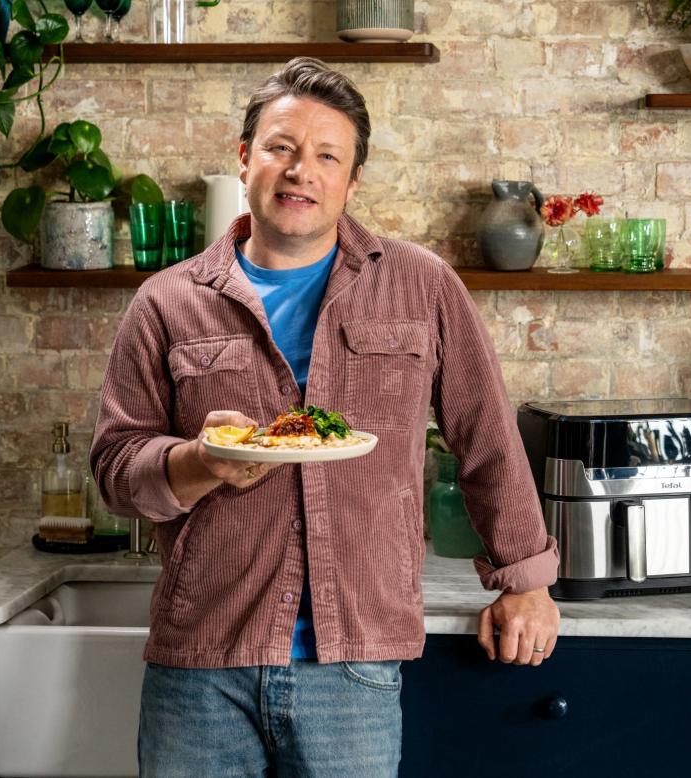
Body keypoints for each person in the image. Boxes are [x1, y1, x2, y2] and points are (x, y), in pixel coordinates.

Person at [91, 56, 560, 777]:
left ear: (351, 178)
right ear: (245, 159)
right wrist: (198, 463)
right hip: (202, 659)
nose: (299, 170)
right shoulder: (166, 301)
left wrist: (524, 582)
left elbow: (485, 436)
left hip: (355, 661)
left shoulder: (421, 285)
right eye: (280, 148)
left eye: (325, 155)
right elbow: (117, 466)